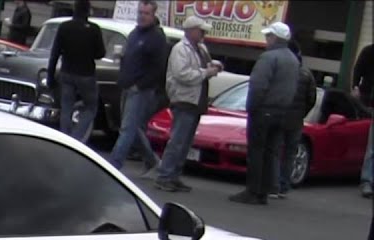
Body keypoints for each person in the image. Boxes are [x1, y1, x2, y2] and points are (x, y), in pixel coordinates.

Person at [229, 22, 299, 205]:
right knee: (271, 152)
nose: (266, 39)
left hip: (264, 111)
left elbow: (258, 86)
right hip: (282, 112)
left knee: (257, 151)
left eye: (268, 36)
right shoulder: (293, 60)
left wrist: (251, 107)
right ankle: (264, 192)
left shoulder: (268, 58)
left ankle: (252, 191)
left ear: (275, 37)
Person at [154, 15, 221, 192]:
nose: (203, 33)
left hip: (196, 100)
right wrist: (206, 72)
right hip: (184, 99)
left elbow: (206, 64)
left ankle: (174, 175)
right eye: (201, 30)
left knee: (186, 142)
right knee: (177, 140)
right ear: (191, 31)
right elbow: (182, 74)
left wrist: (214, 65)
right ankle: (164, 175)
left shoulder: (200, 48)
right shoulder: (180, 49)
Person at [106, 0, 168, 174]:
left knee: (127, 128)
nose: (142, 16)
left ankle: (114, 165)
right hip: (126, 85)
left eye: (146, 13)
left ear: (153, 15)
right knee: (133, 127)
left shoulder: (156, 37)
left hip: (141, 89)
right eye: (140, 12)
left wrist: (140, 85)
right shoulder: (134, 33)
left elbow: (158, 68)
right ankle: (151, 160)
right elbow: (129, 58)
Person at [46, 0, 105, 142]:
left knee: (66, 107)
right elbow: (100, 53)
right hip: (86, 73)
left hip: (66, 72)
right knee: (91, 107)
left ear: (74, 9)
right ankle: (77, 137)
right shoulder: (93, 29)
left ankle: (65, 138)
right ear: (88, 11)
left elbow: (55, 53)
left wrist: (50, 75)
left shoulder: (64, 27)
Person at [271, 40, 315, 199]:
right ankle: (284, 186)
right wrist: (302, 113)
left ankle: (273, 185)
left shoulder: (281, 70)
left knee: (275, 151)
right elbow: (312, 99)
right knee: (290, 153)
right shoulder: (306, 73)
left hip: (279, 116)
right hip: (297, 120)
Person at [354, 43, 373, 197]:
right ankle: (366, 180)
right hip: (368, 98)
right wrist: (355, 86)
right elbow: (358, 70)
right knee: (372, 147)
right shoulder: (368, 51)